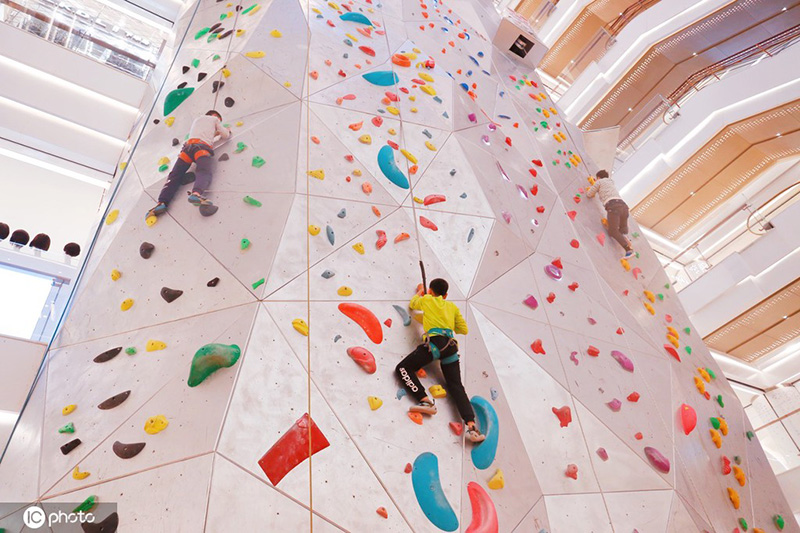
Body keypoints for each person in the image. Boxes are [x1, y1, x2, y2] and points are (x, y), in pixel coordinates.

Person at [395, 278, 486, 443]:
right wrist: (448, 323)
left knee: (403, 368)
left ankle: (425, 401)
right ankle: (472, 427)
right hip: (450, 347)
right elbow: (463, 329)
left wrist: (420, 293)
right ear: (446, 295)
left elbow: (413, 304)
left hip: (435, 345)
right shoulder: (452, 307)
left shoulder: (427, 299)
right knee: (456, 386)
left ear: (430, 291)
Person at [146, 110, 231, 219]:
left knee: (175, 175)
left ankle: (161, 202)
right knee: (204, 172)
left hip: (187, 150)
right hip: (201, 149)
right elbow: (225, 135)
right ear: (216, 117)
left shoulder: (197, 120)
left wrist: (214, 133)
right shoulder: (214, 119)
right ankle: (196, 194)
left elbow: (203, 133)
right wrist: (226, 130)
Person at [585, 169, 634, 259]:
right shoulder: (611, 183)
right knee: (622, 227)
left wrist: (592, 187)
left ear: (598, 177)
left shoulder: (599, 182)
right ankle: (624, 235)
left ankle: (628, 250)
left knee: (613, 230)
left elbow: (589, 194)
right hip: (624, 206)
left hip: (613, 207)